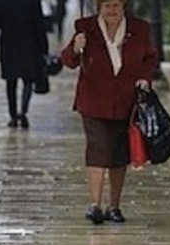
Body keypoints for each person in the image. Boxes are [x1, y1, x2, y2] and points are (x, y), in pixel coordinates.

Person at [60, 0, 157, 225]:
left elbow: (150, 58)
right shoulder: (85, 27)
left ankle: (114, 206)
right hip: (93, 100)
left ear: (124, 6)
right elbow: (68, 61)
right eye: (107, 6)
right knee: (98, 148)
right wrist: (76, 47)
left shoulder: (140, 29)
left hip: (126, 101)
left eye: (116, 5)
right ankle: (95, 205)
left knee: (117, 154)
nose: (112, 10)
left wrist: (145, 78)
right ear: (99, 8)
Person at [0, 0, 49, 129]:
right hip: (29, 44)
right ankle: (23, 111)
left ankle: (13, 115)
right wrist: (44, 48)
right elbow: (39, 24)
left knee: (11, 82)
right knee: (28, 80)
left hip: (9, 44)